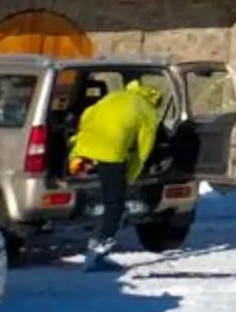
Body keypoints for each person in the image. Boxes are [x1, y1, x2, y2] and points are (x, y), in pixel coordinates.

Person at [68, 76, 169, 269]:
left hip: (84, 146)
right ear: (155, 101)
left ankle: (80, 165)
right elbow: (143, 152)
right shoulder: (147, 111)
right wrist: (128, 179)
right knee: (115, 204)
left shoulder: (115, 96)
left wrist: (80, 143)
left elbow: (88, 114)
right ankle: (98, 252)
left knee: (94, 176)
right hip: (110, 153)